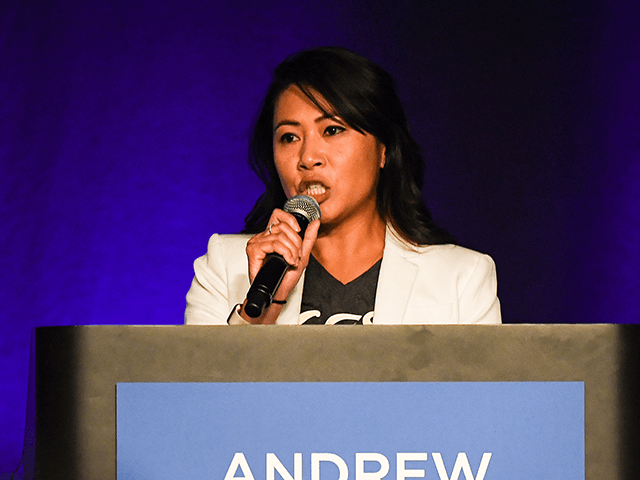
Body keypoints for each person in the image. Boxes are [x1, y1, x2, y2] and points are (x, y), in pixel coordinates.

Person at [185, 47, 501, 325]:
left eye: (333, 130)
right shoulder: (226, 267)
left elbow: (478, 394)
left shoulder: (461, 278)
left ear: (383, 149)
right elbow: (201, 391)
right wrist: (261, 313)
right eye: (289, 137)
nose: (307, 157)